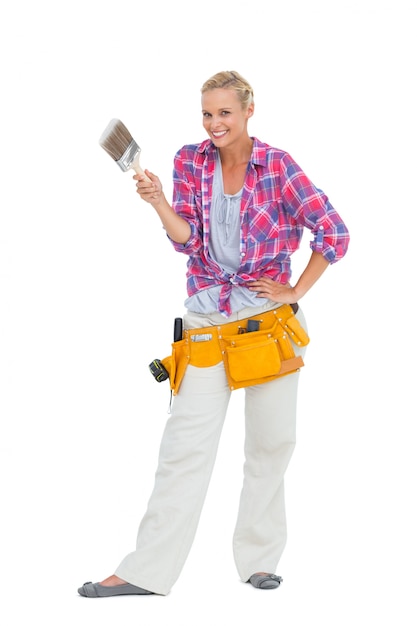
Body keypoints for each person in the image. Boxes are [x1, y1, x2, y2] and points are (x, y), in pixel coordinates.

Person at [78, 70, 349, 598]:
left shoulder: (278, 167)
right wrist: (158, 201)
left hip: (268, 327)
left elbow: (334, 231)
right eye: (206, 113)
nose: (214, 123)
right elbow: (190, 242)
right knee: (183, 448)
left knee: (271, 445)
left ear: (249, 111)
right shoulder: (189, 160)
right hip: (207, 323)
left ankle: (258, 561)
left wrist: (295, 290)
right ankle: (145, 572)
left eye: (224, 112)